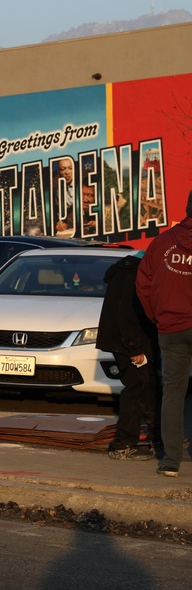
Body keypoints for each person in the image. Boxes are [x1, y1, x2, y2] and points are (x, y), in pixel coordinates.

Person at [136, 190, 192, 477]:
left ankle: (171, 461)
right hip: (173, 324)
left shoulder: (163, 242)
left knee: (173, 393)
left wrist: (157, 315)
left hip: (170, 327)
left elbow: (143, 283)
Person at [97, 252, 158, 460]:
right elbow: (128, 313)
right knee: (138, 388)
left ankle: (157, 436)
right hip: (130, 342)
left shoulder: (126, 270)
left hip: (124, 341)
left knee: (147, 387)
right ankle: (123, 442)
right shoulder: (135, 273)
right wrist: (135, 348)